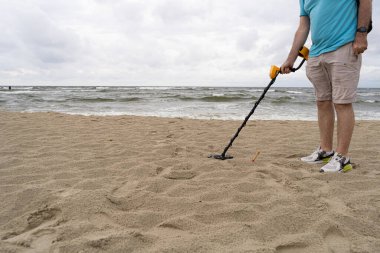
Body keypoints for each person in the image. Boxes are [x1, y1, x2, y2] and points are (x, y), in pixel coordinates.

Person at [281, 0, 372, 173]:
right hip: (316, 53)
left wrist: (362, 34)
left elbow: (366, 1)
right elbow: (303, 27)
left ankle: (343, 157)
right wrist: (291, 58)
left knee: (342, 102)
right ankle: (325, 149)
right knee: (322, 102)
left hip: (344, 46)